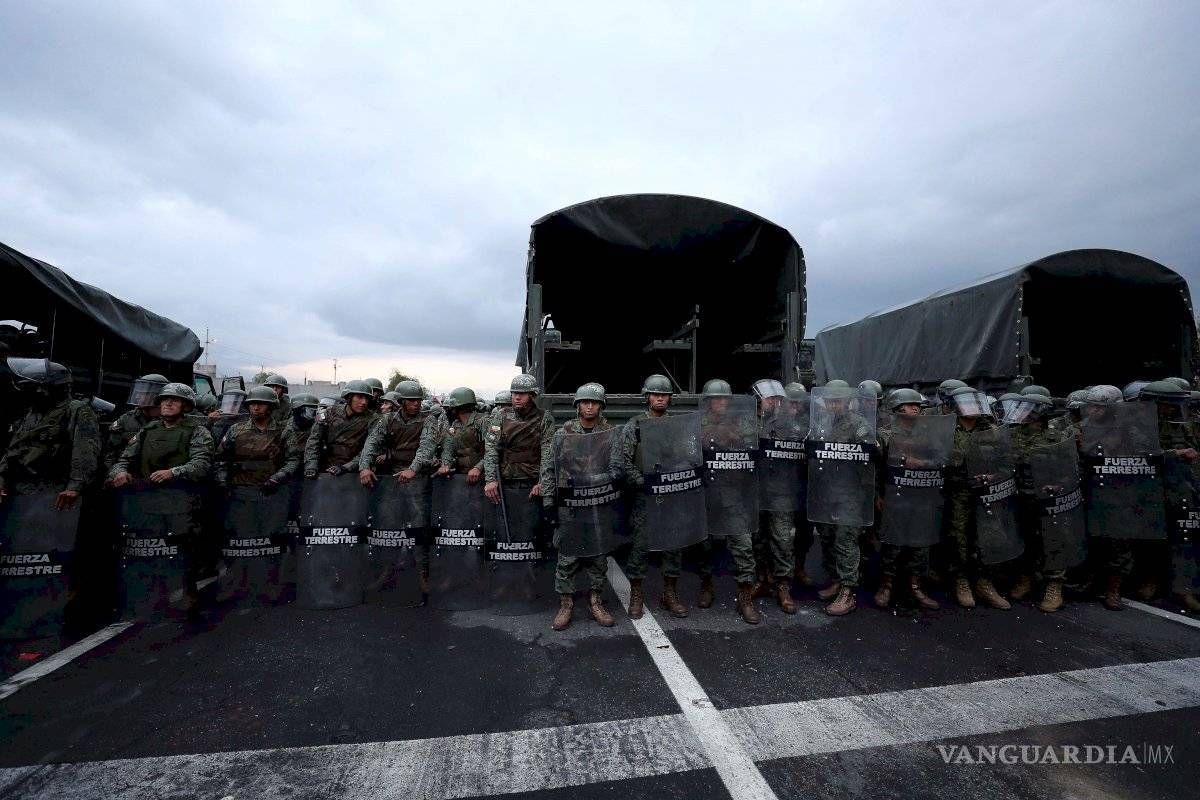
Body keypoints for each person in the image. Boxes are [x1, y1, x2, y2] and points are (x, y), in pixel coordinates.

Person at [613, 374, 692, 619]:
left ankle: (670, 594)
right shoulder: (635, 425)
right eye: (656, 394)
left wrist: (677, 479)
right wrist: (642, 483)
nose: (660, 398)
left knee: (673, 547)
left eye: (664, 395)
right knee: (640, 547)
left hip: (671, 496)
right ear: (647, 397)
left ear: (670, 398)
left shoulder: (677, 426)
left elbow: (688, 457)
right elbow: (625, 461)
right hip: (644, 497)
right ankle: (636, 596)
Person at [542, 382, 617, 630]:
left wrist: (596, 481)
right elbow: (549, 469)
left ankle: (596, 601)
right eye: (585, 402)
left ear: (601, 406)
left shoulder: (609, 433)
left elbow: (617, 470)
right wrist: (549, 501)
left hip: (597, 503)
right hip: (570, 505)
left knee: (597, 556)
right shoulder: (563, 434)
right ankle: (566, 604)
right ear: (577, 405)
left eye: (594, 402)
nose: (589, 406)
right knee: (567, 556)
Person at [359, 380, 439, 593]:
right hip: (392, 479)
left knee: (419, 527)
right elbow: (371, 444)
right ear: (401, 401)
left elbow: (427, 447)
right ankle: (387, 572)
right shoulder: (387, 419)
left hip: (417, 479)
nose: (416, 404)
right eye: (411, 400)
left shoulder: (428, 420)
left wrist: (413, 469)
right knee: (388, 527)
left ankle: (424, 575)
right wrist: (364, 468)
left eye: (418, 400)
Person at [808, 380, 878, 616]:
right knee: (827, 537)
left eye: (837, 401)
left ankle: (849, 592)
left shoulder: (859, 425)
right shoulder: (823, 423)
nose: (832, 405)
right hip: (827, 490)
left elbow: (870, 455)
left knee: (846, 540)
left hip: (850, 492)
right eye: (829, 401)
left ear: (848, 402)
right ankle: (837, 580)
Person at [943, 386, 1016, 610]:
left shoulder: (992, 429)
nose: (972, 407)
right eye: (966, 402)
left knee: (991, 535)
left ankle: (985, 583)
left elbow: (1007, 462)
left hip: (987, 491)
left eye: (975, 401)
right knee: (959, 536)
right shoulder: (945, 428)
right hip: (956, 491)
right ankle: (962, 581)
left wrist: (994, 475)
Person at [875, 388, 944, 610]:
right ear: (897, 408)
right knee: (892, 542)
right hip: (895, 495)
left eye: (918, 404)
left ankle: (916, 585)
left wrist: (923, 464)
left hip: (922, 494)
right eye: (910, 404)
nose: (916, 407)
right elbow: (874, 469)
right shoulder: (885, 434)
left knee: (920, 543)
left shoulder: (928, 434)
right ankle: (886, 584)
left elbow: (943, 459)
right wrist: (877, 495)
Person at [0, 359, 101, 511]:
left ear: (46, 388)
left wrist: (75, 486)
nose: (27, 390)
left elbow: (85, 450)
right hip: (20, 492)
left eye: (32, 386)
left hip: (52, 491)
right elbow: (13, 450)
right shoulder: (32, 413)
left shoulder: (77, 409)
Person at [303, 380, 377, 478]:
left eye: (367, 398)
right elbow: (314, 440)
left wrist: (346, 467)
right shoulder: (327, 413)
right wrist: (311, 466)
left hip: (354, 472)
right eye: (359, 397)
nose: (364, 402)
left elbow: (370, 450)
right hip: (325, 470)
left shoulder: (373, 419)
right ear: (348, 397)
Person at [103, 373, 167, 475]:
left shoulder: (169, 420)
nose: (138, 396)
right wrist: (113, 476)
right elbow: (110, 454)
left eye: (143, 393)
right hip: (127, 476)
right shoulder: (126, 419)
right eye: (138, 392)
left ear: (156, 396)